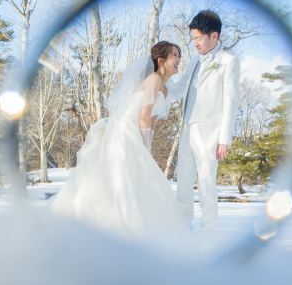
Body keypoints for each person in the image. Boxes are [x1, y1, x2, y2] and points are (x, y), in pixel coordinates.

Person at [50, 41, 191, 240]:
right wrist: (144, 147)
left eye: (179, 55)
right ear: (161, 60)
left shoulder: (165, 89)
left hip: (138, 134)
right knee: (120, 179)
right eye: (174, 55)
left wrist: (146, 147)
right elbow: (143, 115)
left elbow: (152, 121)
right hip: (125, 132)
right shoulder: (153, 79)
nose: (179, 59)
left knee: (138, 180)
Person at [173, 10, 240, 232]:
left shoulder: (228, 62)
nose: (195, 44)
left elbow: (230, 102)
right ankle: (184, 229)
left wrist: (224, 140)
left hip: (210, 134)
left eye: (199, 38)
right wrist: (155, 87)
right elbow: (181, 88)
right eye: (193, 39)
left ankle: (208, 232)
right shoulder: (193, 61)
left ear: (214, 36)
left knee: (206, 184)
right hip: (187, 129)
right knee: (182, 185)